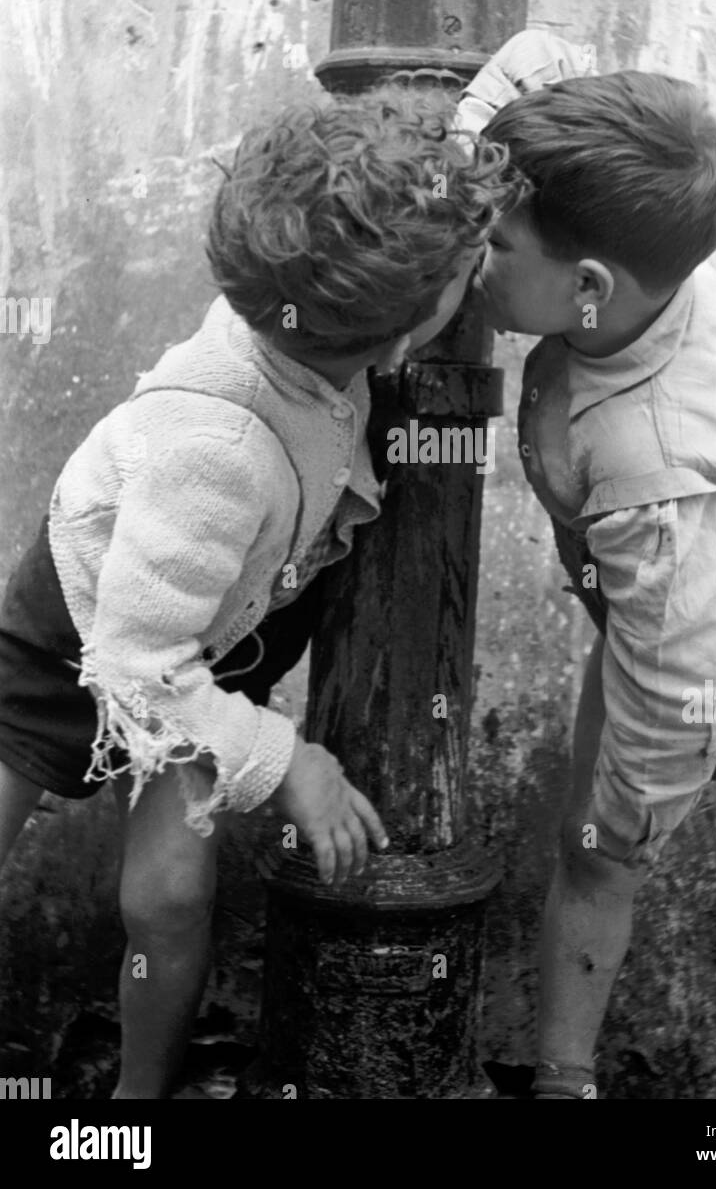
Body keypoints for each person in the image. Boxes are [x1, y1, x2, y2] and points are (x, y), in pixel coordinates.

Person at [0, 84, 514, 1099]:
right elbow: (138, 669)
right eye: (466, 274)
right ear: (408, 335)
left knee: (171, 894)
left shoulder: (313, 299)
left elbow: (409, 206)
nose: (480, 274)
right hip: (87, 628)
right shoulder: (219, 447)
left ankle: (134, 1109)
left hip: (211, 641)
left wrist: (510, 81)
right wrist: (289, 763)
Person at [460, 32, 716, 1098]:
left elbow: (678, 690)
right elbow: (544, 60)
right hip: (655, 621)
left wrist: (633, 813)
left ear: (588, 284)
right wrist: (473, 158)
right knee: (585, 849)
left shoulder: (653, 456)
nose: (471, 256)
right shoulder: (640, 240)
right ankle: (562, 1081)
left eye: (491, 243)